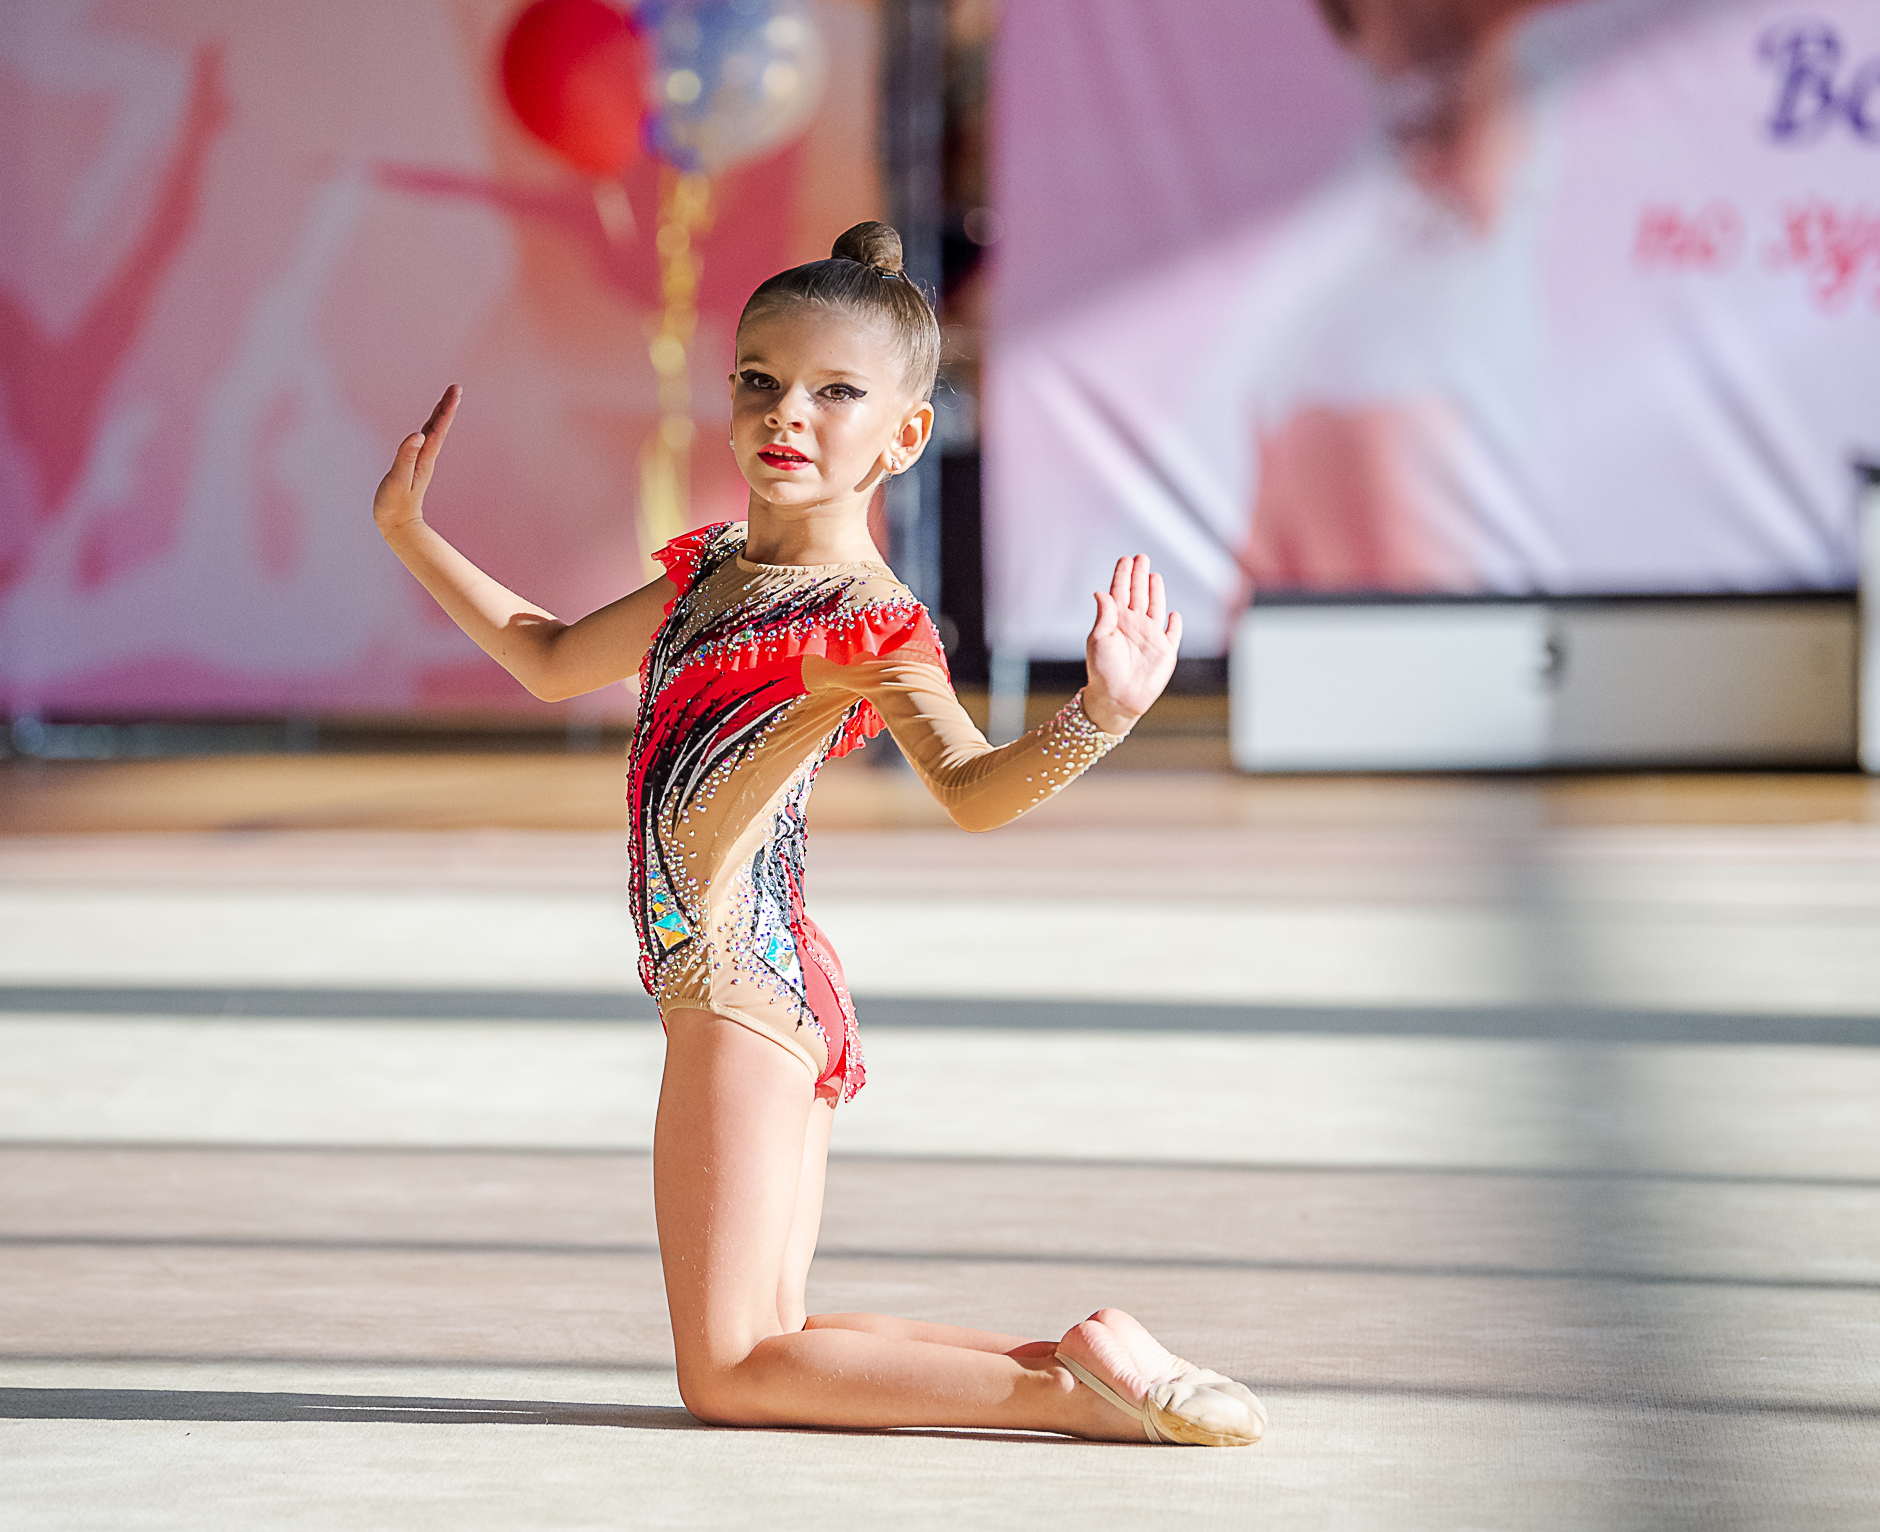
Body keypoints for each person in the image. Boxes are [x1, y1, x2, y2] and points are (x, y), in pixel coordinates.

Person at [370, 221, 1265, 1446]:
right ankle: (1081, 1360)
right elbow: (549, 656)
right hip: (760, 979)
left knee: (729, 1374)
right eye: (761, 379)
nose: (787, 412)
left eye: (837, 392)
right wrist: (411, 534)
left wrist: (1098, 716)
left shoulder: (866, 619)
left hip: (738, 988)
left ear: (905, 434)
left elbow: (970, 788)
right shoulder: (708, 573)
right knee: (773, 1336)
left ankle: (1076, 1403)